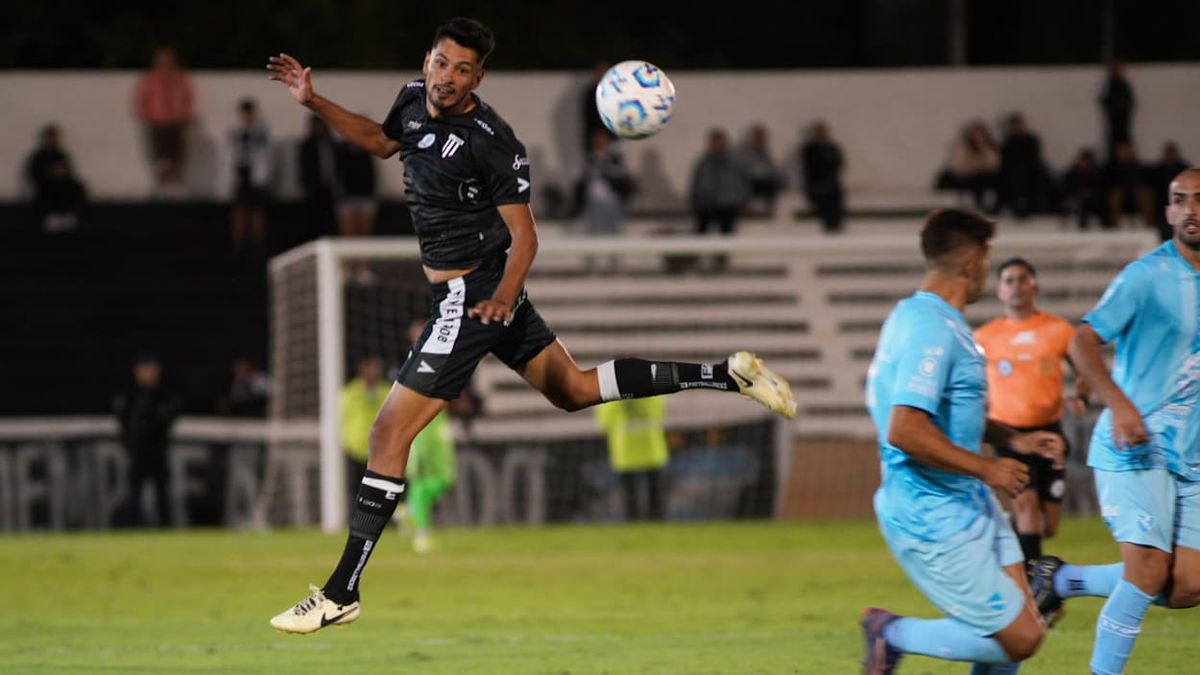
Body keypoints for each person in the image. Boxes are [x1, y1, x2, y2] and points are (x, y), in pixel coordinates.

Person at [266, 18, 795, 635]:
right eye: (441, 63)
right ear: (428, 61)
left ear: (478, 78)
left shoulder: (494, 141)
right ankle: (725, 375)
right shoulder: (412, 100)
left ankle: (340, 592)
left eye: (462, 70)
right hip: (476, 293)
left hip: (475, 294)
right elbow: (382, 142)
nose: (446, 77)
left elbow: (527, 235)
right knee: (572, 390)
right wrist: (315, 102)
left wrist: (502, 297)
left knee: (388, 432)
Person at [860, 208, 1066, 673]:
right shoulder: (930, 327)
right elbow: (906, 429)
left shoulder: (931, 319)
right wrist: (988, 468)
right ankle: (889, 632)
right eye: (987, 262)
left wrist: (1012, 439)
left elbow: (952, 408)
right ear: (973, 264)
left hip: (967, 500)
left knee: (1023, 621)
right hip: (931, 511)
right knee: (1022, 637)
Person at [1027, 168, 1200, 675]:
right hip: (1135, 443)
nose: (1191, 209)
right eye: (1179, 200)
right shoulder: (1146, 275)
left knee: (1187, 586)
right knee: (1147, 570)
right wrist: (1118, 404)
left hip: (1192, 453)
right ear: (1167, 212)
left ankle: (1061, 581)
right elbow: (1082, 340)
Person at [975, 257, 1088, 564]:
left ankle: (1001, 536)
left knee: (1046, 525)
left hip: (1050, 433)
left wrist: (1082, 396)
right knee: (1026, 507)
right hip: (1008, 435)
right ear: (999, 291)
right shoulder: (985, 337)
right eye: (1008, 280)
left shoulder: (1057, 329)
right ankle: (1033, 587)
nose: (1016, 286)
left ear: (1034, 285)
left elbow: (1085, 368)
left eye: (1022, 279)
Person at [396, 319, 470, 553]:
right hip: (421, 426)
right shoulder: (414, 361)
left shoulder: (441, 357)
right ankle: (421, 533)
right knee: (421, 480)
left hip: (438, 423)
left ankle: (408, 512)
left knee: (445, 477)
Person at [113, 353, 181, 527]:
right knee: (134, 493)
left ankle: (166, 529)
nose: (145, 374)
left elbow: (169, 418)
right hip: (137, 451)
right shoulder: (130, 394)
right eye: (142, 370)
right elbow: (123, 420)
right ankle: (133, 528)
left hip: (158, 450)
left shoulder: (164, 394)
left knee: (163, 495)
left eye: (149, 370)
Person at [596, 395, 669, 521]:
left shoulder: (613, 392)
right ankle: (654, 520)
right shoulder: (649, 388)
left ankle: (636, 521)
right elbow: (658, 411)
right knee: (651, 491)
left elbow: (604, 421)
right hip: (648, 446)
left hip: (628, 448)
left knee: (634, 493)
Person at [134, 46, 194, 195]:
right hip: (157, 123)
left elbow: (188, 97)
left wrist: (184, 116)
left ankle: (178, 185)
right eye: (161, 62)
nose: (164, 65)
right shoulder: (149, 79)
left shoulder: (180, 77)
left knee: (177, 155)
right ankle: (161, 185)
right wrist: (147, 116)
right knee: (160, 157)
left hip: (176, 122)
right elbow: (141, 99)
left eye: (167, 61)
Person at [574, 127, 634, 272]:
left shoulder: (613, 161)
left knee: (614, 231)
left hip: (611, 201)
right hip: (594, 201)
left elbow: (621, 177)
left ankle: (615, 261)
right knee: (593, 231)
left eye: (604, 141)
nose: (601, 144)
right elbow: (584, 179)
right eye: (598, 141)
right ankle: (592, 263)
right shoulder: (589, 160)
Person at [339, 355, 390, 505]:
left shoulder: (387, 390)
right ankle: (353, 516)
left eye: (376, 368)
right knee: (356, 488)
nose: (373, 371)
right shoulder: (351, 392)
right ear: (362, 369)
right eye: (370, 367)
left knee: (381, 488)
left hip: (381, 449)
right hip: (355, 450)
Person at [228, 98, 271, 258]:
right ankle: (239, 245)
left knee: (257, 211)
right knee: (240, 210)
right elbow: (232, 154)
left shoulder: (260, 130)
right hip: (241, 173)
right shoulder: (236, 130)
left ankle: (257, 244)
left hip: (256, 175)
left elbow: (263, 155)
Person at [23, 124, 87, 232]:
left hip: (62, 183)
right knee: (50, 188)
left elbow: (69, 171)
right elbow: (33, 173)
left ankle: (67, 214)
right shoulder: (38, 156)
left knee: (76, 187)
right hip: (46, 184)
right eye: (50, 138)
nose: (53, 140)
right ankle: (51, 215)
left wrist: (61, 173)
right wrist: (50, 173)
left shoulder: (61, 154)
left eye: (55, 137)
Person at [936, 120, 1000, 213]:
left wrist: (983, 147)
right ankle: (975, 206)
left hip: (982, 178)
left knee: (984, 179)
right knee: (976, 180)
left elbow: (994, 164)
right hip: (965, 178)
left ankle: (987, 207)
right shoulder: (963, 147)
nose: (978, 137)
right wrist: (976, 167)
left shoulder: (989, 147)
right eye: (975, 133)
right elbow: (958, 166)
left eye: (981, 134)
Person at [997, 113, 1054, 218]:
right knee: (1017, 176)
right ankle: (1020, 204)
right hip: (1014, 171)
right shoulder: (1009, 142)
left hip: (1031, 169)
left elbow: (1035, 156)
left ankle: (1036, 204)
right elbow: (1006, 159)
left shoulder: (1031, 139)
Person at [800, 120, 844, 233]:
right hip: (815, 185)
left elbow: (838, 164)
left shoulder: (832, 148)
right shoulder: (809, 149)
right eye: (818, 132)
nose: (821, 134)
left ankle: (835, 226)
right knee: (822, 199)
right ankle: (829, 226)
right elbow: (811, 168)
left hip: (830, 184)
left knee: (835, 197)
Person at [298, 115, 339, 237]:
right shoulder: (307, 145)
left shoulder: (331, 144)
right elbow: (304, 167)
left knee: (330, 220)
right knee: (313, 221)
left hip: (330, 188)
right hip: (313, 188)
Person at [1103, 140, 1154, 229]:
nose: (1124, 153)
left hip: (1135, 198)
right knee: (1116, 195)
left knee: (1144, 194)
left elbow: (1143, 184)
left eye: (1126, 150)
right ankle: (1115, 224)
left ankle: (1148, 224)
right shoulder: (1111, 169)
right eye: (1122, 151)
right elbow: (1108, 186)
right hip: (1118, 200)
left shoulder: (1138, 167)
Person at [737, 123, 785, 216]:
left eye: (761, 136)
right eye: (757, 136)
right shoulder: (742, 151)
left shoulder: (766, 151)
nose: (760, 139)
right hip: (747, 181)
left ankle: (767, 210)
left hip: (764, 182)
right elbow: (742, 168)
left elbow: (773, 169)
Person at [1148, 142, 1190, 241]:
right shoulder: (1158, 170)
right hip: (1162, 208)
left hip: (1181, 208)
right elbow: (1151, 193)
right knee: (1164, 235)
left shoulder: (1184, 169)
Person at [1059, 148, 1106, 230]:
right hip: (1075, 199)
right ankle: (1081, 228)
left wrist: (1091, 193)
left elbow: (1102, 188)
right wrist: (1079, 193)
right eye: (1083, 160)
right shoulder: (1072, 173)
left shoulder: (1097, 173)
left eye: (1087, 161)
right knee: (1079, 203)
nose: (1085, 163)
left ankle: (1106, 227)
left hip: (1094, 200)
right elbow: (1065, 189)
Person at [1099, 59, 1135, 160]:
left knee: (1123, 139)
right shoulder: (1109, 85)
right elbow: (1104, 100)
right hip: (1115, 121)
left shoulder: (1124, 85)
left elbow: (1130, 101)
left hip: (1123, 120)